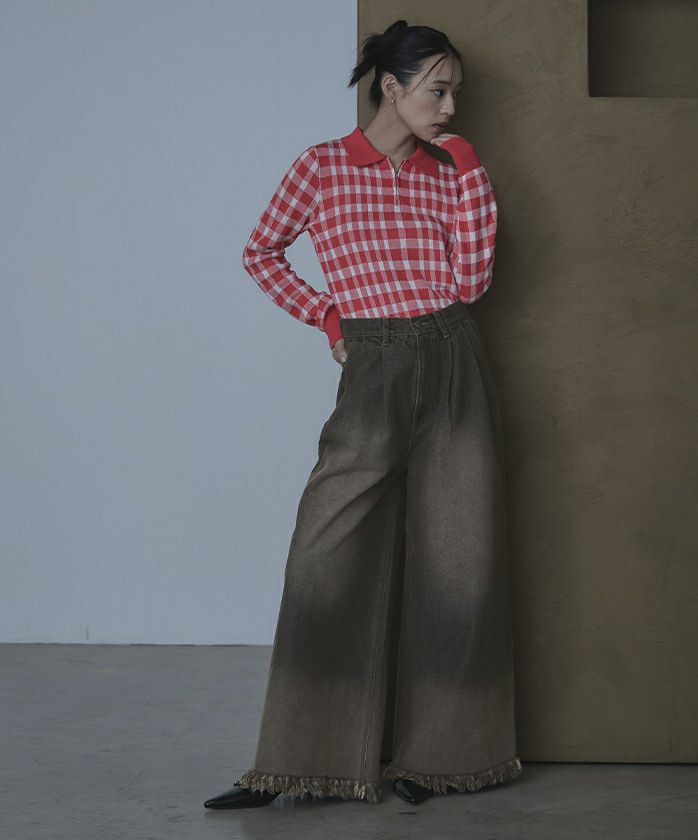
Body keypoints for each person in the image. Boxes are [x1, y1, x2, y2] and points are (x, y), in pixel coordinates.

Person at [204, 18, 523, 810]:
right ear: (391, 86)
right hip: (374, 363)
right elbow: (260, 252)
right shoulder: (321, 167)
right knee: (326, 554)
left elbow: (472, 281)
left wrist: (469, 169)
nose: (449, 108)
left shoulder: (451, 171)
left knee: (460, 561)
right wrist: (326, 315)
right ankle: (297, 764)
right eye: (437, 91)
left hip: (452, 358)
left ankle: (440, 761)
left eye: (454, 93)